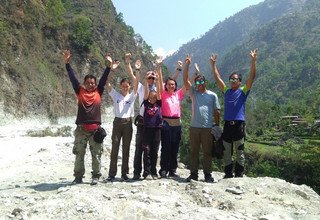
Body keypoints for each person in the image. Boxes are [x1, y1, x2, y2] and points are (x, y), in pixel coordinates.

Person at [64, 49, 117, 185]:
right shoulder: (79, 91)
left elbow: (104, 79)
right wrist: (67, 64)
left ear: (95, 84)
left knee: (96, 154)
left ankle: (95, 176)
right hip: (81, 129)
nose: (90, 84)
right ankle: (78, 176)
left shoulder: (99, 91)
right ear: (84, 83)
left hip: (95, 130)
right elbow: (72, 78)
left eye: (92, 83)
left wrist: (108, 66)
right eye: (88, 82)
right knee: (79, 153)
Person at [209, 49, 258, 178]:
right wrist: (213, 66)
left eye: (235, 79)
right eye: (231, 79)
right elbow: (218, 78)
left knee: (239, 151)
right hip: (227, 125)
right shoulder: (226, 91)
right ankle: (228, 174)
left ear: (240, 81)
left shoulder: (243, 91)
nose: (232, 81)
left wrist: (253, 61)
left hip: (239, 125)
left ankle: (239, 173)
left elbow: (252, 77)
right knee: (227, 151)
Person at [183, 54, 221, 183]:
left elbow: (217, 111)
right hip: (194, 127)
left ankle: (207, 174)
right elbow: (185, 80)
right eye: (197, 82)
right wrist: (187, 64)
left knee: (207, 152)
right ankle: (193, 174)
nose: (199, 84)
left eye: (201, 82)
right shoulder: (193, 93)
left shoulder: (212, 95)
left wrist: (216, 125)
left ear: (205, 82)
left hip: (207, 128)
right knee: (194, 152)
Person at [105, 55, 139, 182]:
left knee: (126, 148)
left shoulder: (132, 96)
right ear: (120, 86)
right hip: (117, 122)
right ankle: (112, 173)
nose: (125, 87)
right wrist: (112, 69)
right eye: (123, 86)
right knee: (115, 147)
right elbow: (107, 83)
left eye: (127, 86)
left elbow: (136, 83)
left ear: (129, 86)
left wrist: (131, 65)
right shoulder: (116, 95)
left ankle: (124, 173)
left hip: (128, 123)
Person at [158, 59, 186, 178]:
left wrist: (193, 73)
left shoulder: (178, 94)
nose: (171, 86)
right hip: (166, 123)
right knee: (166, 147)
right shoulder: (163, 94)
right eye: (169, 84)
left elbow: (187, 84)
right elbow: (160, 81)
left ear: (175, 86)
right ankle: (163, 169)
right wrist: (158, 67)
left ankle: (173, 170)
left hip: (177, 124)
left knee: (175, 147)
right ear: (166, 86)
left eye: (173, 84)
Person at [141, 70, 162, 180]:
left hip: (157, 129)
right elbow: (145, 93)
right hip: (147, 129)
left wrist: (157, 81)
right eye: (151, 97)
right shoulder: (146, 103)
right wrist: (146, 80)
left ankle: (154, 172)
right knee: (147, 151)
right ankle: (146, 172)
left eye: (154, 97)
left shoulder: (159, 103)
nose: (152, 99)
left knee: (154, 151)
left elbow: (158, 93)